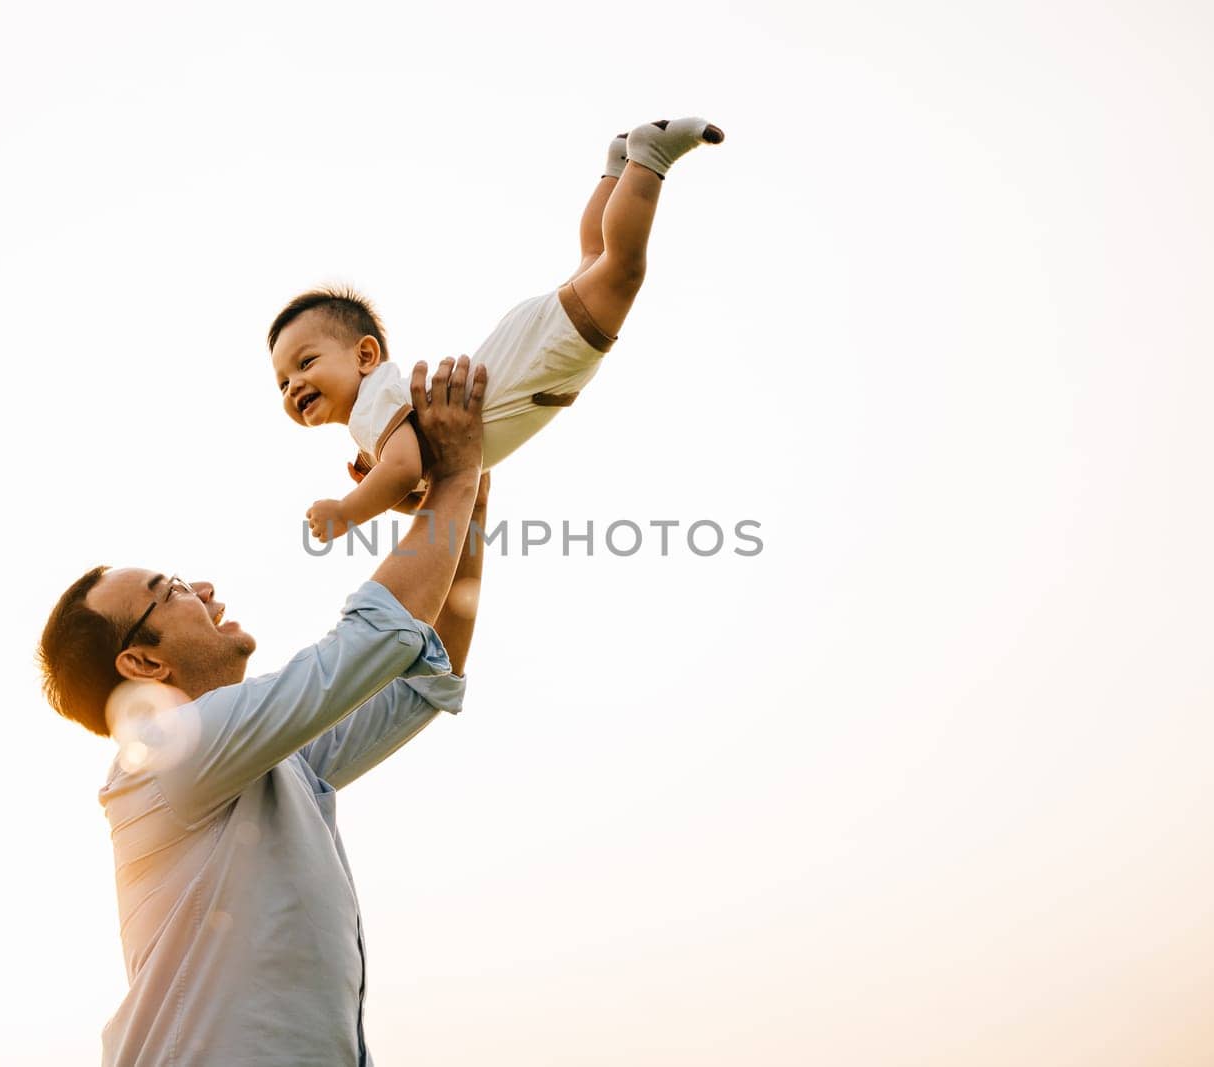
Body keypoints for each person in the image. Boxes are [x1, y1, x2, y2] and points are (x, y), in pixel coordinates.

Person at [37, 357, 491, 1066]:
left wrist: (470, 506)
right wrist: (456, 478)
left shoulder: (272, 766)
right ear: (144, 664)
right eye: (173, 587)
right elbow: (376, 639)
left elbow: (426, 679)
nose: (206, 588)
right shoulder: (168, 751)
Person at [268, 116, 724, 542]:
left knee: (622, 270)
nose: (294, 386)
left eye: (305, 363)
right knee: (595, 259)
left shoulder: (370, 408)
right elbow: (427, 485)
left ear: (365, 355)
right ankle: (616, 167)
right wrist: (394, 495)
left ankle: (649, 158)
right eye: (284, 381)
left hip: (535, 361)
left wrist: (347, 511)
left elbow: (406, 470)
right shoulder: (377, 419)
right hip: (527, 356)